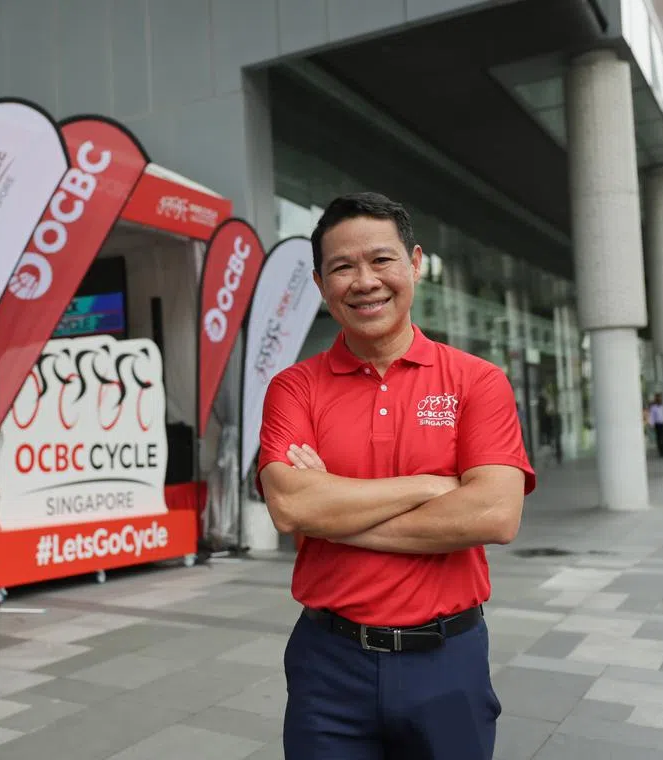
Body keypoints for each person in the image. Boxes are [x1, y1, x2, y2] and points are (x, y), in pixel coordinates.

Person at [257, 192, 535, 759]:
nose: (364, 281)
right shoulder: (294, 388)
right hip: (328, 664)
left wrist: (332, 508)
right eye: (342, 266)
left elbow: (494, 514)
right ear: (319, 282)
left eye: (381, 260)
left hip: (447, 661)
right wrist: (431, 486)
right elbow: (289, 508)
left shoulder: (476, 382)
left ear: (414, 263)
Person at [649, 393, 663, 458]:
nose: (659, 399)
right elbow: (652, 416)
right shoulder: (654, 407)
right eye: (657, 398)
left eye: (660, 398)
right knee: (659, 438)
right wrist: (651, 424)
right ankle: (661, 451)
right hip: (658, 424)